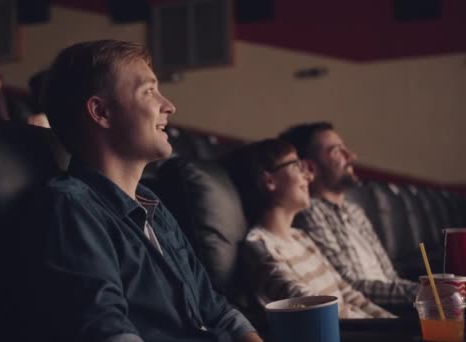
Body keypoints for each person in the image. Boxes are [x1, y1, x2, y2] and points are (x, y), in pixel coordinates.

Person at [39, 40, 262, 342]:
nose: (169, 106)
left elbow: (216, 310)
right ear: (101, 111)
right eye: (148, 91)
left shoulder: (152, 206)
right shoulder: (72, 206)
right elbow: (108, 332)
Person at [232, 139, 393, 318]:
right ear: (270, 181)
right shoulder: (258, 246)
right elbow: (313, 307)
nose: (308, 177)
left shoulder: (301, 237)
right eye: (298, 166)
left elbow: (349, 294)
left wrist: (392, 324)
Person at [278, 122, 419, 305]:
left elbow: (390, 277)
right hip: (373, 314)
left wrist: (431, 292)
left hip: (400, 304)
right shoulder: (310, 212)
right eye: (337, 151)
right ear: (310, 167)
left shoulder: (355, 211)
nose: (351, 156)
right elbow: (347, 286)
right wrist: (423, 294)